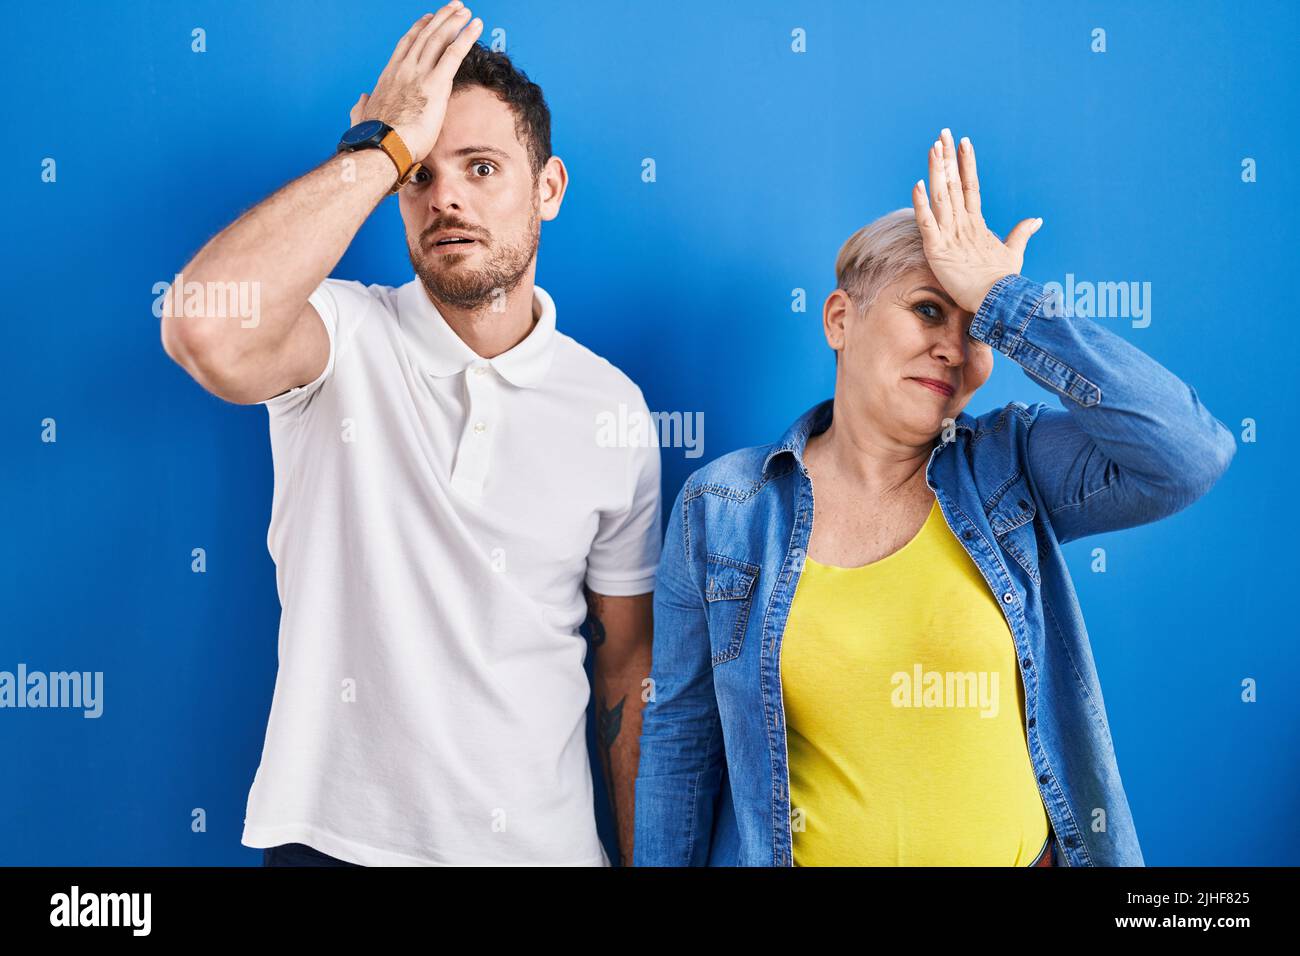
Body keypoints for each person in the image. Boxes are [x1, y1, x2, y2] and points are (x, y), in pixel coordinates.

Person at [634, 128, 1235, 867]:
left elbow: (1188, 452)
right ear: (840, 319)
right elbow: (680, 747)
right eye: (927, 309)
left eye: (971, 324)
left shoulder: (1009, 465)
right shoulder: (723, 507)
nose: (953, 345)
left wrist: (1006, 303)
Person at [161, 3, 659, 866]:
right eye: (421, 176)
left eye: (480, 167)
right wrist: (376, 148)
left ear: (548, 188)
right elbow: (204, 327)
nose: (448, 196)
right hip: (333, 844)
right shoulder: (336, 338)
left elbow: (625, 670)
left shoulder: (611, 407)